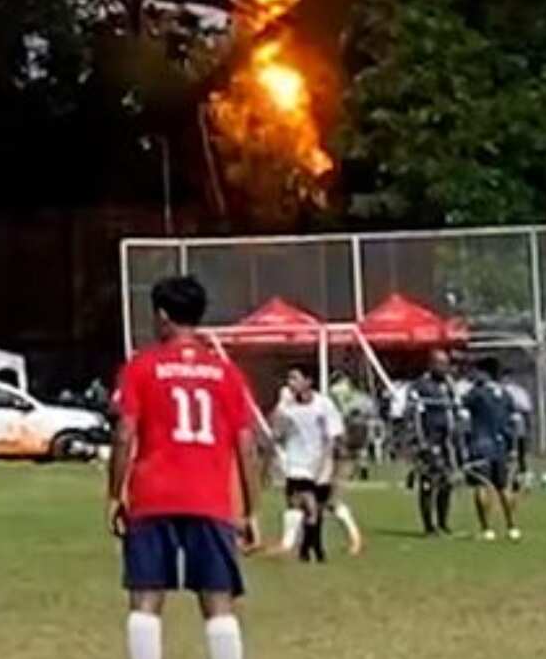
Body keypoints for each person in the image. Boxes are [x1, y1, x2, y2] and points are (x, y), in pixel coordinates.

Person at [109, 276, 258, 659]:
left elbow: (124, 433)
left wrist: (114, 494)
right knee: (218, 601)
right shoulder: (226, 373)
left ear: (161, 316)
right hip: (209, 499)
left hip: (152, 496)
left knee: (145, 597)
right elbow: (246, 446)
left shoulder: (141, 367)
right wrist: (252, 509)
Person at [270, 366, 360, 561]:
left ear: (308, 381)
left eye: (295, 378)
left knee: (318, 508)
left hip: (320, 463)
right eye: (289, 379)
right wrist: (280, 407)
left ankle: (310, 549)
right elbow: (276, 434)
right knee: (303, 505)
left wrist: (333, 463)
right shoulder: (287, 406)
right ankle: (303, 548)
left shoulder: (323, 405)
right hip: (296, 464)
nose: (290, 383)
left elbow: (334, 435)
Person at [461, 359, 521, 542]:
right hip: (501, 445)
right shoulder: (505, 394)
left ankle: (487, 529)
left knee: (481, 486)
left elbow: (461, 409)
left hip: (481, 443)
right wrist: (514, 447)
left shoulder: (477, 393)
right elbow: (514, 421)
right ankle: (512, 527)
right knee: (503, 487)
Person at [410, 351, 459, 535]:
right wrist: (422, 442)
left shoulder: (448, 384)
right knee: (429, 483)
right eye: (440, 364)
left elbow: (454, 408)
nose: (444, 368)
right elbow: (415, 415)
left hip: (447, 441)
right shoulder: (421, 386)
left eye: (446, 364)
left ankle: (443, 523)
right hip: (430, 440)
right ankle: (428, 526)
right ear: (431, 364)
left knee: (447, 482)